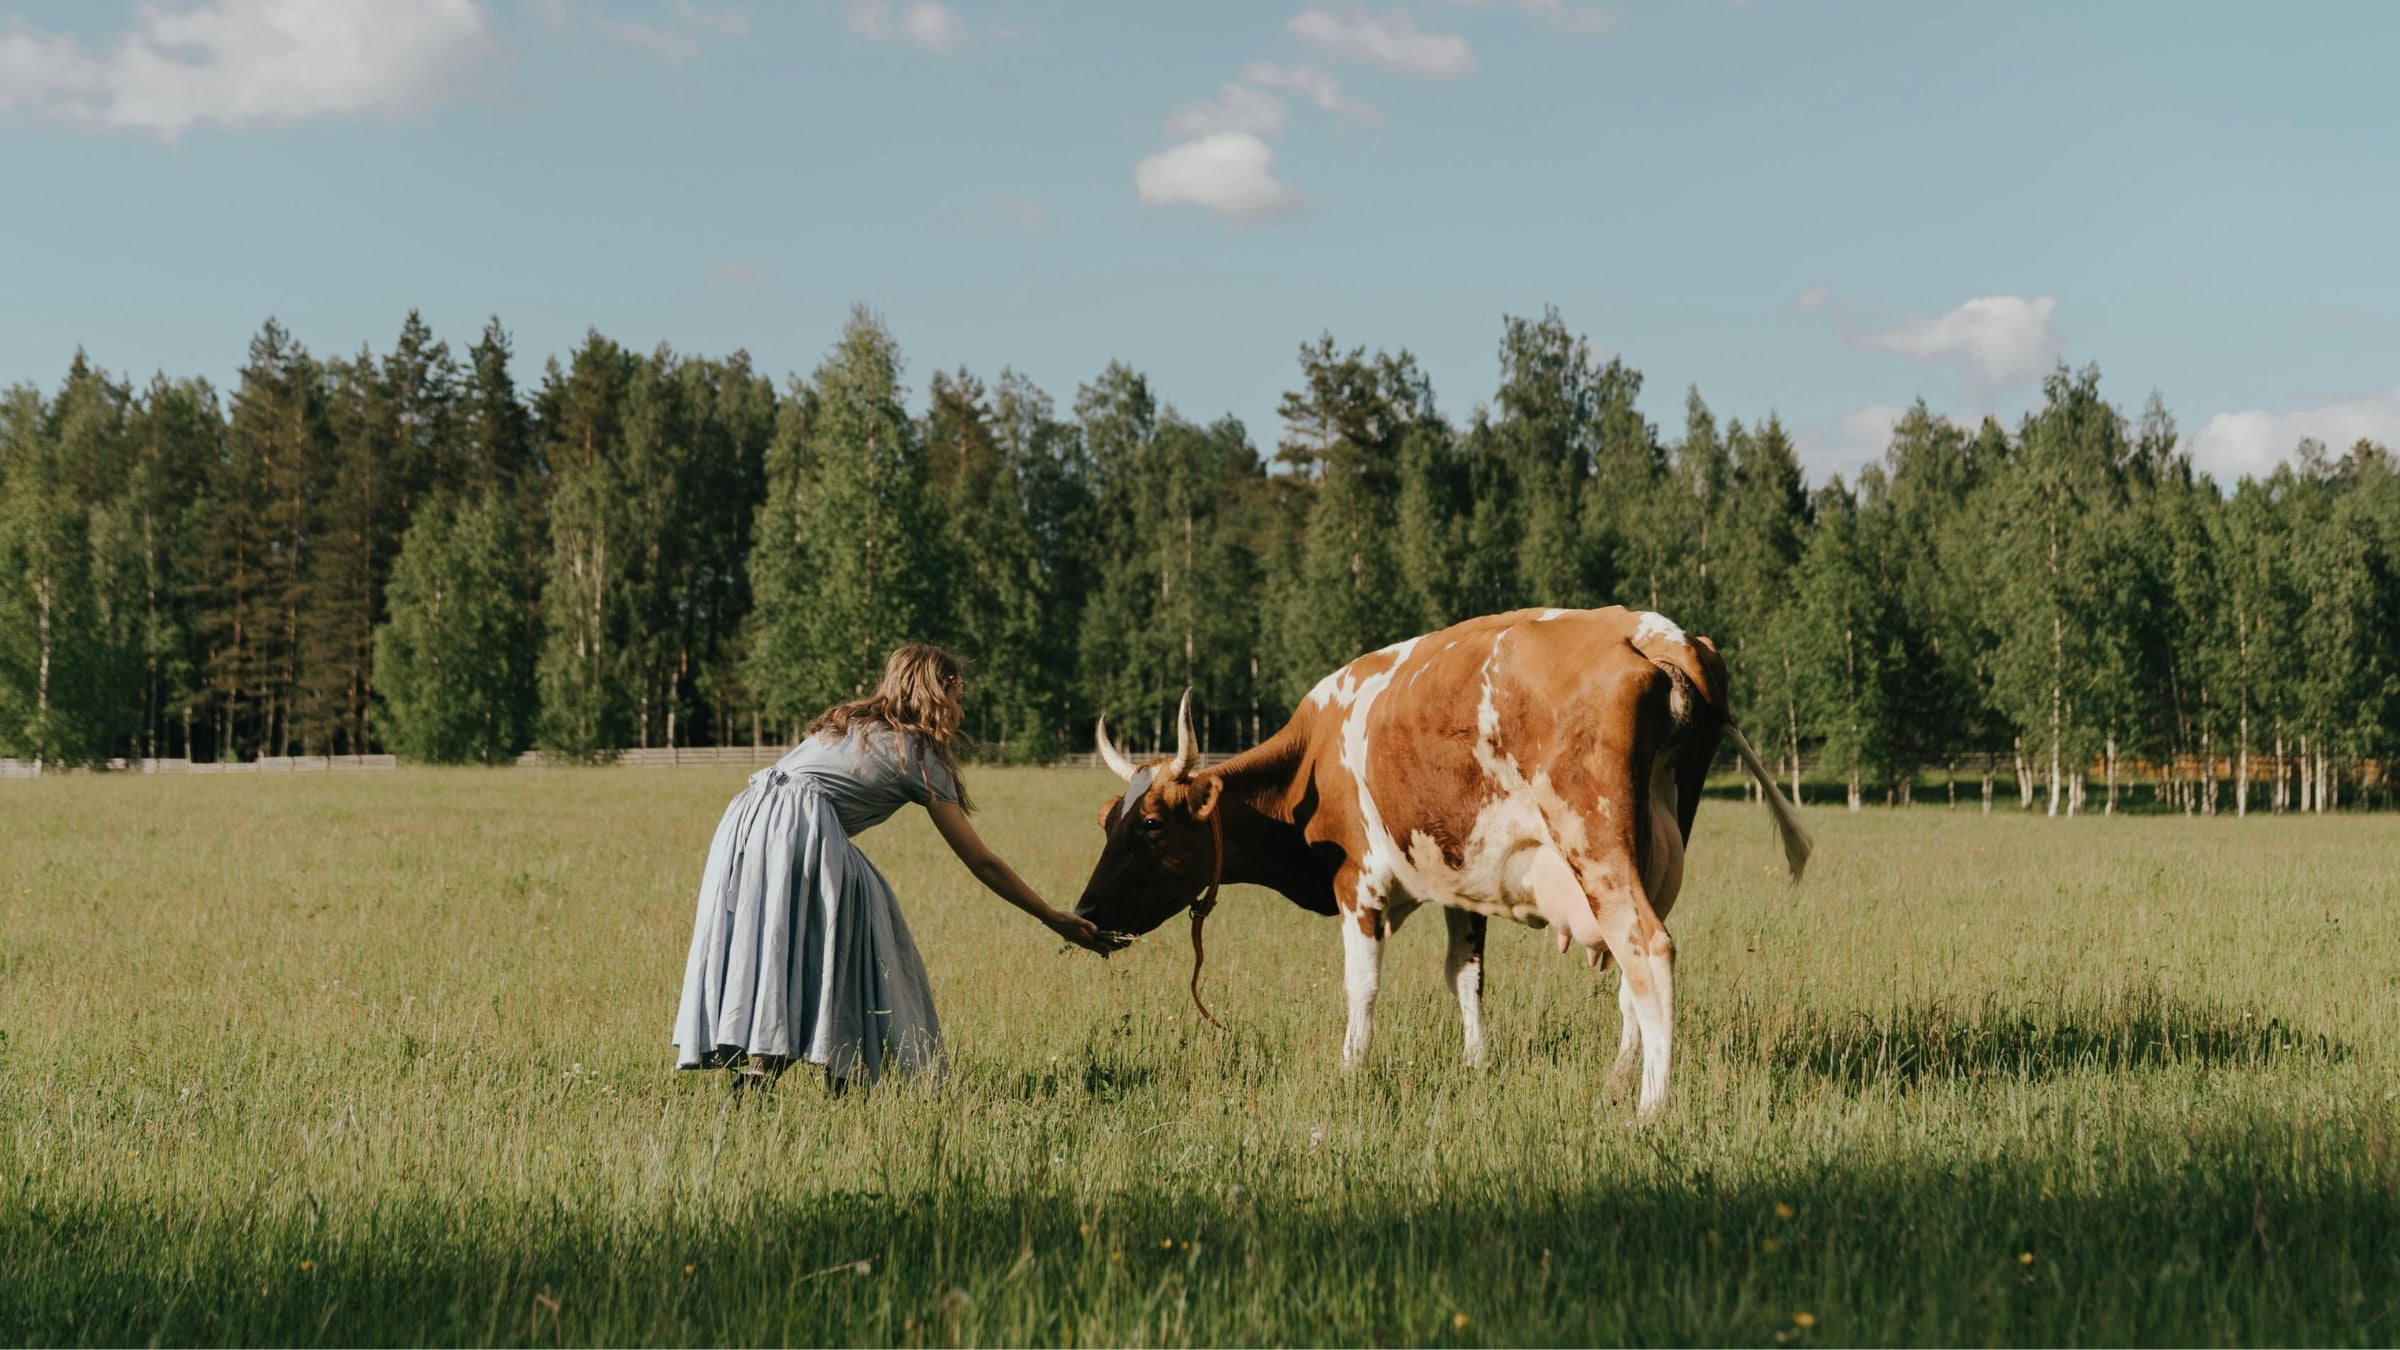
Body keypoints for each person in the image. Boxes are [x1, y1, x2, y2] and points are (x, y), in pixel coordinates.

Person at [673, 643, 1122, 1089]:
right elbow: (982, 861)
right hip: (796, 826)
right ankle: (850, 1065)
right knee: (864, 927)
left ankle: (775, 1072)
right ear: (942, 690)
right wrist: (1050, 917)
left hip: (746, 819)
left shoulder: (848, 723)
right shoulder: (917, 756)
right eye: (959, 700)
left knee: (802, 935)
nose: (961, 714)